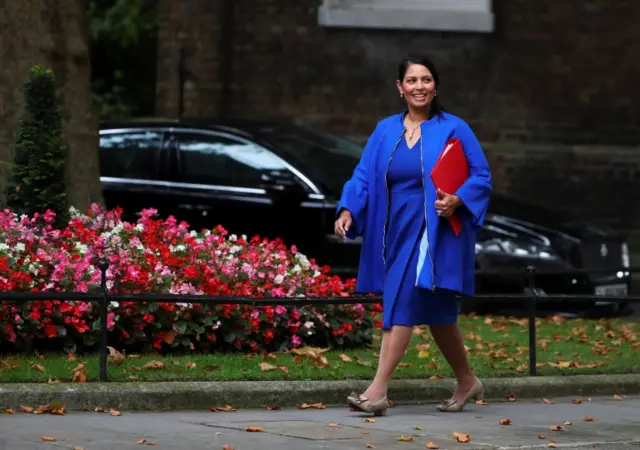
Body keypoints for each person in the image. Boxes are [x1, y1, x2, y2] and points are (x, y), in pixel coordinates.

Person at [334, 54, 492, 416]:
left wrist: (457, 199)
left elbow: (480, 176)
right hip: (394, 227)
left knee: (400, 299)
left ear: (435, 86)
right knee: (438, 315)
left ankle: (376, 392)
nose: (419, 86)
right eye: (412, 80)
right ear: (400, 88)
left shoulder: (454, 128)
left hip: (432, 227)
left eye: (426, 79)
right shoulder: (385, 130)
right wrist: (348, 209)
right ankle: (467, 379)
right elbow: (362, 175)